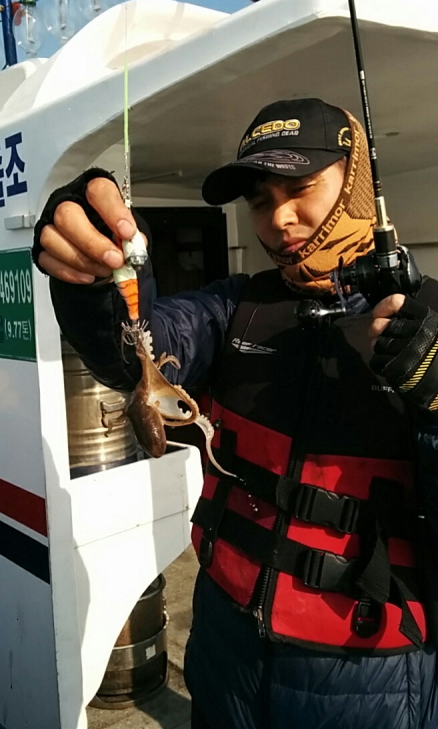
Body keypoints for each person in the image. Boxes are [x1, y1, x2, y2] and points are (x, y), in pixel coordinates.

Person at [33, 97, 438, 729]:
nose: (279, 218)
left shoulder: (427, 322)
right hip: (224, 649)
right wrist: (86, 280)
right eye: (258, 200)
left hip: (370, 678)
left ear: (359, 182)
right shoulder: (233, 309)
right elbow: (133, 356)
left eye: (300, 188)